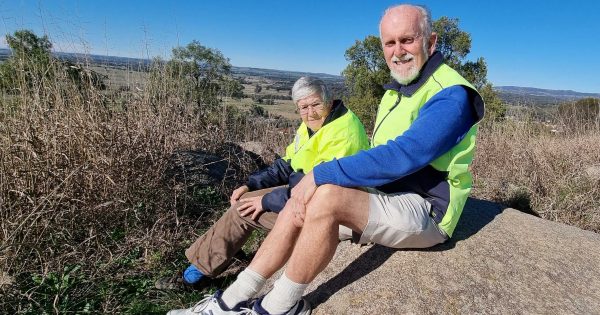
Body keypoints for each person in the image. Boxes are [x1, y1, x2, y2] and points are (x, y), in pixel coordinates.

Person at [168, 4, 485, 315]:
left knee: (325, 191)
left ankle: (278, 307)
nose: (398, 50)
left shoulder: (451, 94)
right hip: (385, 196)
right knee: (305, 196)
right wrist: (288, 185)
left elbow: (406, 154)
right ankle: (230, 300)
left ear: (430, 42)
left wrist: (320, 176)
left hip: (426, 209)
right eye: (390, 42)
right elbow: (292, 164)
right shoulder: (399, 90)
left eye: (408, 39)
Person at [158, 76, 369, 291]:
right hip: (301, 194)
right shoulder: (314, 125)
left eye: (316, 104)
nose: (310, 112)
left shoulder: (344, 132)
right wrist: (251, 184)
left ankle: (194, 277)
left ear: (329, 100)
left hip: (328, 210)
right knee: (244, 197)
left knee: (243, 210)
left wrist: (266, 200)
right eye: (303, 107)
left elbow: (324, 191)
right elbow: (288, 163)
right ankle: (226, 250)